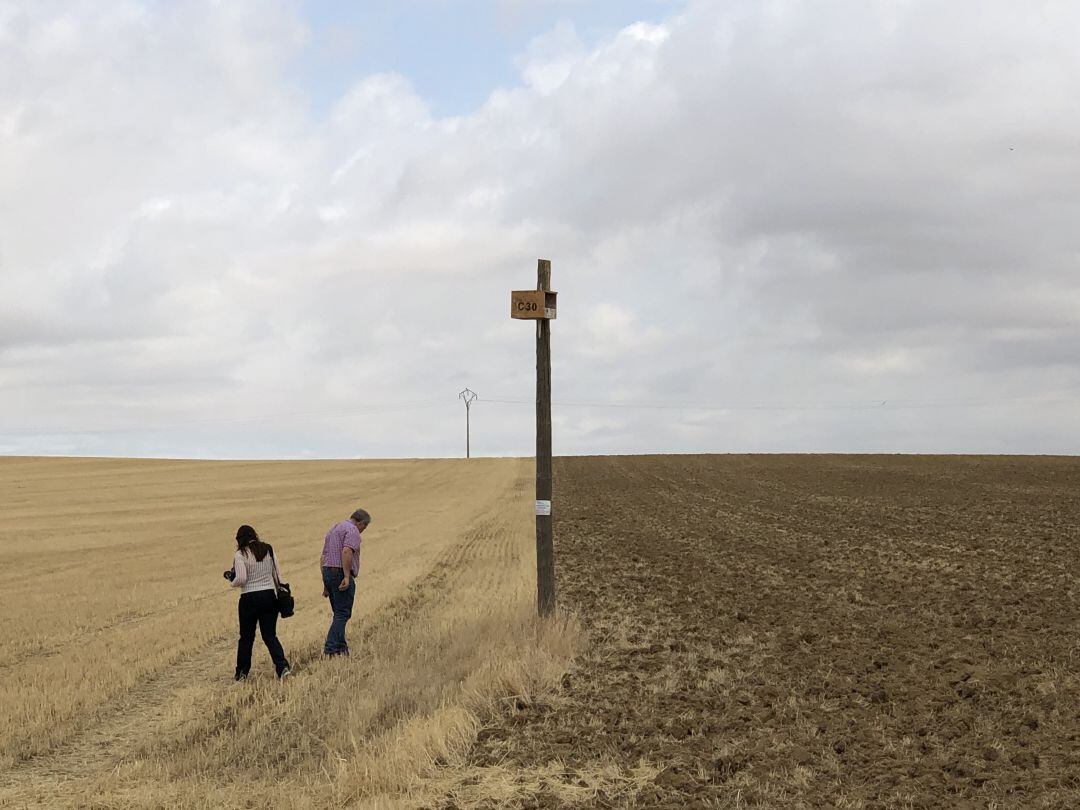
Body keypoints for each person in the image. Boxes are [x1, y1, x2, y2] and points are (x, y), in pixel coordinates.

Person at [224, 524, 291, 681]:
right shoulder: (268, 549)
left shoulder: (241, 554)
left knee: (246, 638)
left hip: (249, 598)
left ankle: (242, 673)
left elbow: (241, 579)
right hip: (269, 596)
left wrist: (231, 581)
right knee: (269, 635)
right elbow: (278, 575)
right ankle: (282, 667)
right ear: (255, 534)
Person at [320, 507, 370, 657]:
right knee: (343, 613)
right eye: (365, 527)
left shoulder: (334, 529)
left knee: (338, 614)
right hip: (340, 573)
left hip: (328, 571)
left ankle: (341, 649)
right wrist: (347, 576)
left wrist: (325, 582)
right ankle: (331, 648)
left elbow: (323, 557)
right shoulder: (352, 530)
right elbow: (347, 551)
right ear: (361, 523)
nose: (363, 530)